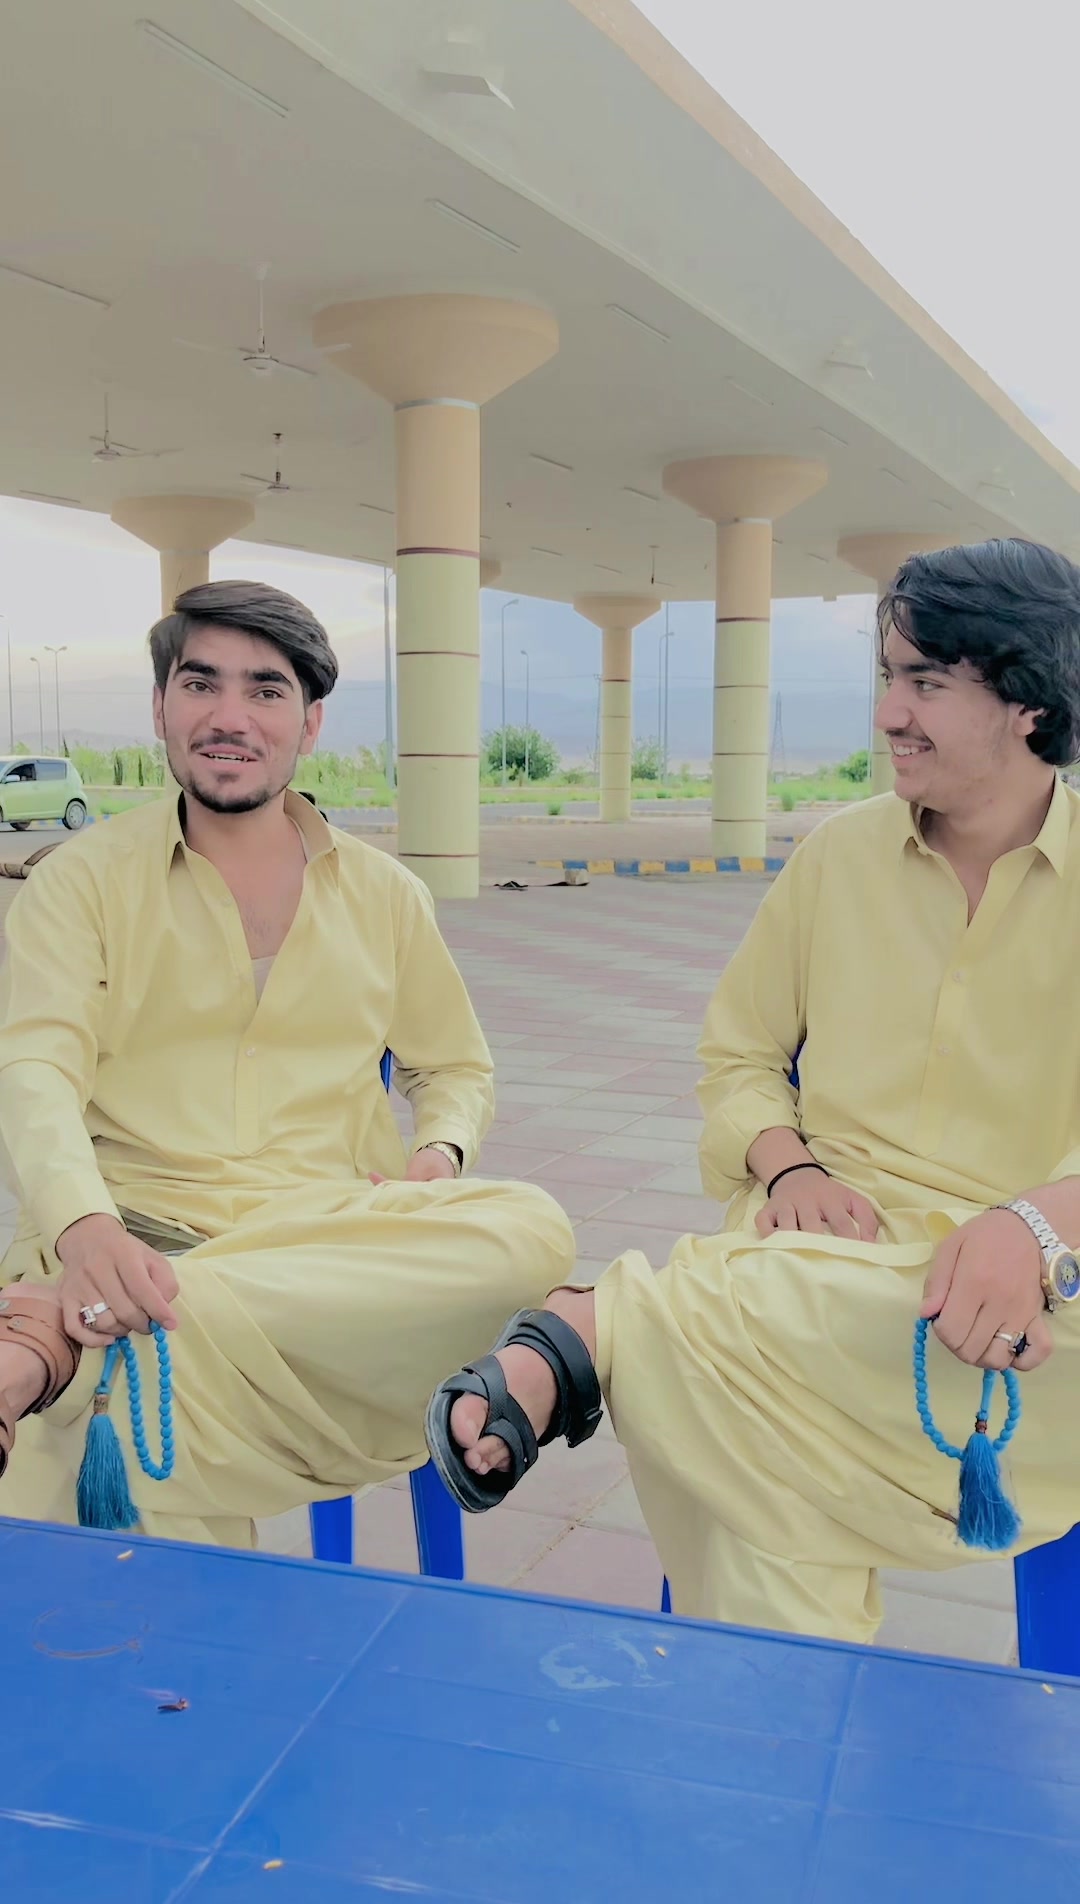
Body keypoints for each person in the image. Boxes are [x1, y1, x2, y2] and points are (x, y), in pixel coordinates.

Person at [426, 538, 1080, 1644]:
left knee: (708, 1355)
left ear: (1029, 702)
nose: (889, 713)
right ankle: (790, 1720)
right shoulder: (838, 859)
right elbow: (738, 1056)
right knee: (747, 1395)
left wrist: (1036, 1225)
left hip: (1022, 1309)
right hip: (814, 1257)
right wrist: (789, 1165)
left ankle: (597, 1327)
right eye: (888, 676)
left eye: (926, 682)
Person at [0, 580, 573, 1545]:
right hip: (131, 1236)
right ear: (161, 708)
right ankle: (117, 1337)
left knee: (534, 1231)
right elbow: (34, 1070)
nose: (230, 717)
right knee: (143, 1551)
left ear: (309, 723)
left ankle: (66, 1338)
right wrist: (88, 1229)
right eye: (201, 684)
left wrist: (436, 1159)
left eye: (265, 690)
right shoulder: (81, 884)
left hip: (323, 1249)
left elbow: (455, 1069)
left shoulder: (385, 895)